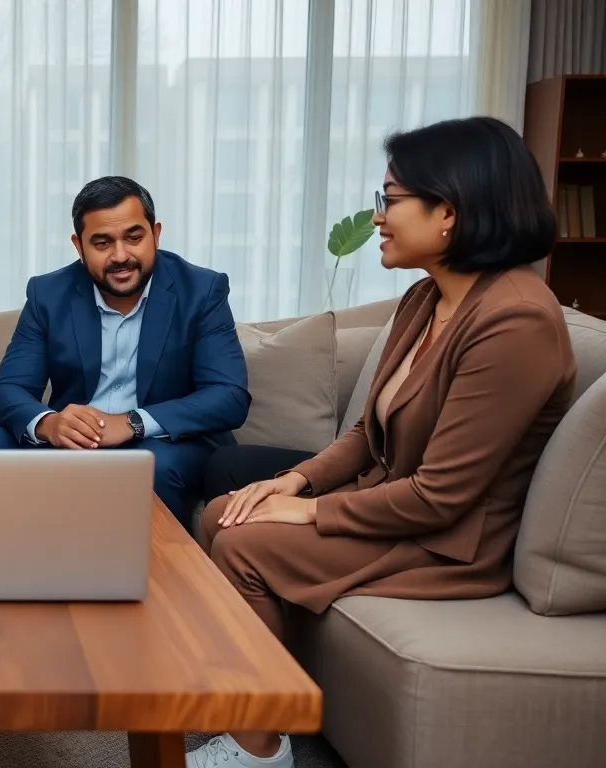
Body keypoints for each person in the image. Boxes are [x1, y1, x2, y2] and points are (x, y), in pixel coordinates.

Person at [188, 116, 572, 768]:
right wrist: (295, 482)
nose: (378, 218)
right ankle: (248, 703)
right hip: (397, 508)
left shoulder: (516, 321)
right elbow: (369, 433)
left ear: (448, 211)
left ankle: (261, 749)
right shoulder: (426, 299)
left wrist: (307, 513)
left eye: (389, 200)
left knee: (246, 544)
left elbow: (442, 497)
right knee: (226, 511)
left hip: (451, 543)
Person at [0, 176, 251, 527]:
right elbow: (6, 390)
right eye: (102, 242)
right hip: (76, 441)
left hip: (169, 442)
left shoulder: (202, 290)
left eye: (134, 237)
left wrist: (133, 423)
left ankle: (159, 579)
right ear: (79, 246)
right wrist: (50, 424)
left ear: (155, 234)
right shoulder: (49, 294)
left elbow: (229, 396)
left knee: (148, 466)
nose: (120, 256)